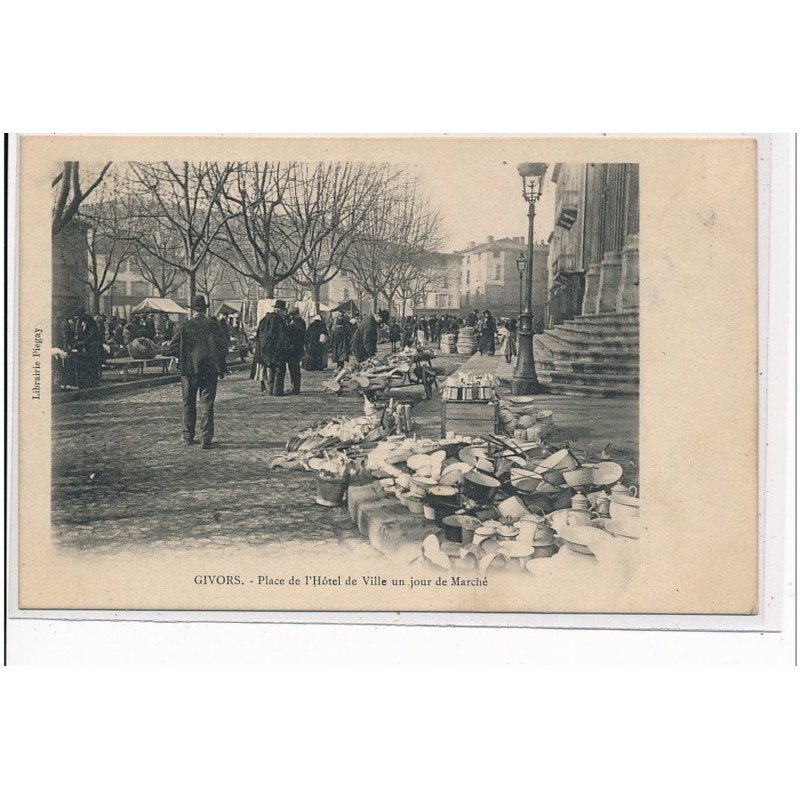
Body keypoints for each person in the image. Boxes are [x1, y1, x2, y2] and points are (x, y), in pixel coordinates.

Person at [165, 295, 228, 449]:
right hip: (209, 370)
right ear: (205, 309)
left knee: (188, 403)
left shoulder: (184, 326)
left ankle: (188, 435)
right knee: (207, 404)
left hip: (189, 370)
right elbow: (224, 347)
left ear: (192, 310)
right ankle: (206, 437)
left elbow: (171, 349)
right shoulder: (214, 326)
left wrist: (184, 355)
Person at [251, 299, 289, 395]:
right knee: (280, 370)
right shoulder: (280, 321)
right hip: (277, 350)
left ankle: (270, 389)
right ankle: (277, 391)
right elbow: (283, 337)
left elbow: (258, 335)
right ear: (280, 310)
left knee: (270, 369)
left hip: (265, 351)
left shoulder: (264, 320)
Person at [285, 307, 307, 394]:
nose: (291, 317)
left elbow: (296, 334)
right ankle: (294, 386)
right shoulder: (297, 322)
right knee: (292, 369)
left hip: (295, 350)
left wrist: (289, 326)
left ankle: (295, 388)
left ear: (297, 314)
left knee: (295, 369)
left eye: (292, 315)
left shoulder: (300, 323)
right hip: (294, 350)